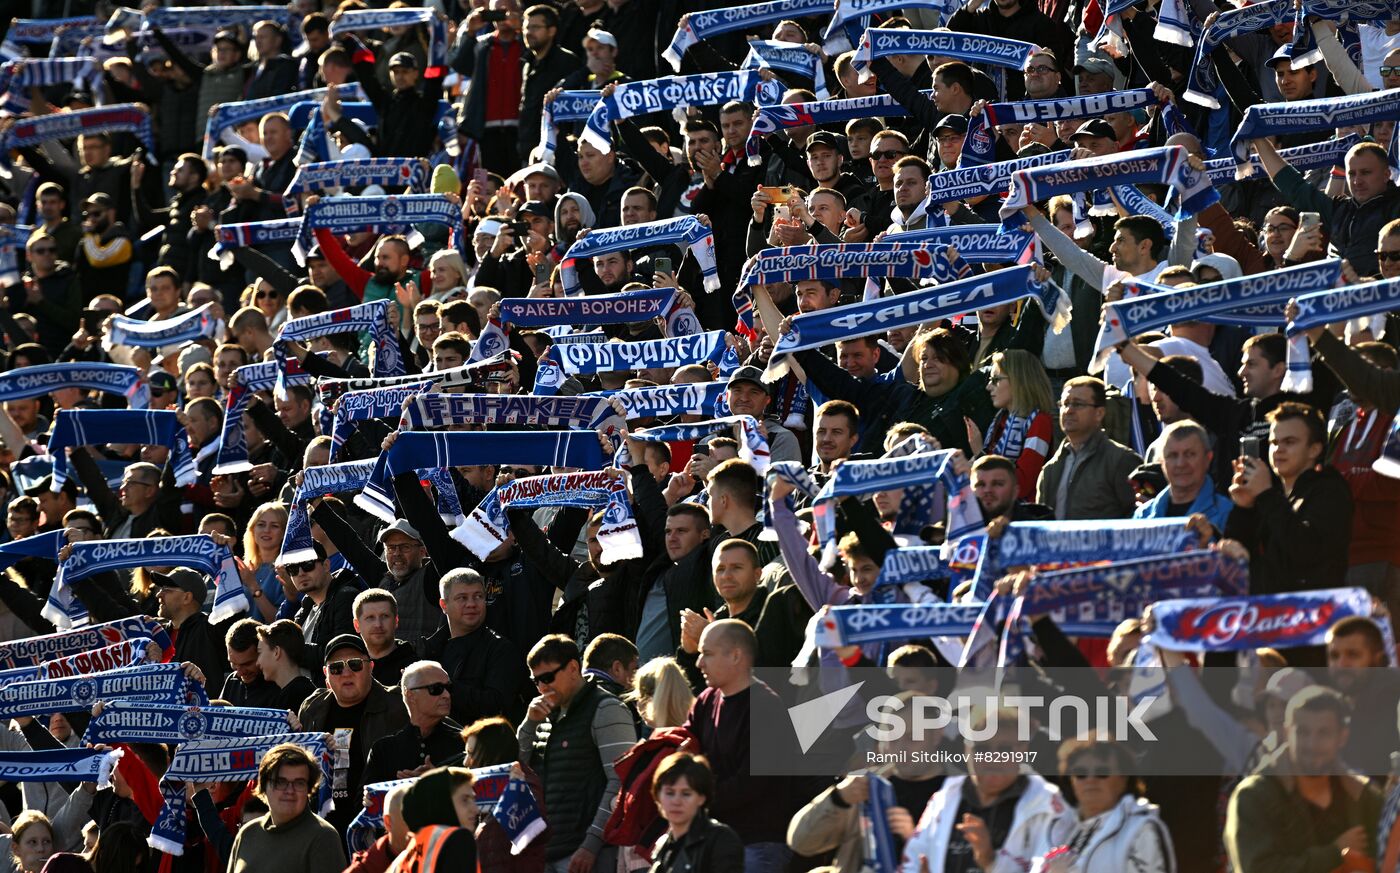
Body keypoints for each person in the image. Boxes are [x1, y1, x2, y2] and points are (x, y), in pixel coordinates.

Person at [1225, 687, 1382, 873]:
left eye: (1323, 733)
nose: (1311, 744)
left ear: (1342, 737)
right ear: (1286, 732)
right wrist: (1334, 853)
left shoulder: (1364, 797)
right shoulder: (1254, 797)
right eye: (1302, 732)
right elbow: (1258, 868)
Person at [683, 620, 796, 871]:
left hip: (758, 842)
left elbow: (751, 783)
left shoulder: (766, 708)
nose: (699, 663)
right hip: (713, 837)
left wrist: (697, 799)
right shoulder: (706, 700)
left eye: (707, 654)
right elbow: (685, 746)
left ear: (735, 656)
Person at [518, 635, 635, 873]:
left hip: (590, 853)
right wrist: (528, 725)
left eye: (548, 677)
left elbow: (622, 780)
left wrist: (591, 844)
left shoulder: (607, 708)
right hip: (549, 850)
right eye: (536, 681)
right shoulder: (544, 715)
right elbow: (518, 772)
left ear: (573, 668)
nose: (542, 687)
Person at [1225, 402, 1354, 592]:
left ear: (1314, 450)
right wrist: (1243, 508)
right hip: (1270, 613)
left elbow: (1307, 551)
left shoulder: (1331, 489)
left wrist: (1265, 494)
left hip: (1315, 612)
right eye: (1273, 443)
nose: (1278, 449)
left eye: (1289, 442)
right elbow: (1237, 561)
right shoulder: (1273, 495)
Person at [296, 634, 409, 834]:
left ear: (371, 667)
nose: (346, 673)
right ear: (326, 675)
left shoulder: (398, 705)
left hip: (377, 824)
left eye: (355, 664)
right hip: (323, 826)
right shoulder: (311, 708)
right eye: (336, 668)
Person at [1031, 738, 1174, 872]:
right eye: (1081, 774)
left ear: (1124, 778)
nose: (1090, 780)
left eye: (1102, 773)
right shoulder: (1057, 828)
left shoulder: (1141, 828)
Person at [227, 743, 346, 873]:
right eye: (280, 782)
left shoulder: (323, 838)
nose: (290, 790)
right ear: (264, 786)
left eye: (299, 783)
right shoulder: (247, 834)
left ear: (309, 789)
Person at [1037, 377, 1142, 519]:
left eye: (1078, 404)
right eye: (1064, 404)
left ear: (1099, 413)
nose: (1068, 410)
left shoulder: (1121, 460)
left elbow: (1140, 519)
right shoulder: (1050, 469)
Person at [362, 660, 464, 785]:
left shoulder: (466, 743)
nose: (447, 695)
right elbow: (362, 802)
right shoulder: (384, 750)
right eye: (436, 689)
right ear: (410, 695)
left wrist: (440, 780)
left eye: (449, 688)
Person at [648, 752, 743, 873]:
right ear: (657, 796)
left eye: (686, 794)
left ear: (701, 798)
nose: (676, 801)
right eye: (669, 793)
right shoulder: (663, 845)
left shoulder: (721, 840)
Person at [980, 350, 1056, 500]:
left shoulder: (1040, 422)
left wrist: (979, 455)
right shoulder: (999, 420)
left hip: (1024, 514)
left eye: (996, 379)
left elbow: (1022, 484)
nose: (989, 386)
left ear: (1018, 381)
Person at [1133, 420, 1234, 530]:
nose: (1180, 464)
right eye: (1172, 455)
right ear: (1162, 462)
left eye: (1190, 454)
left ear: (1208, 458)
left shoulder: (1229, 514)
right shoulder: (1142, 517)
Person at [255, 619, 318, 713]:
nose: (257, 663)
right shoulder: (307, 691)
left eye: (260, 652)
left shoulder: (293, 698)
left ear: (276, 652)